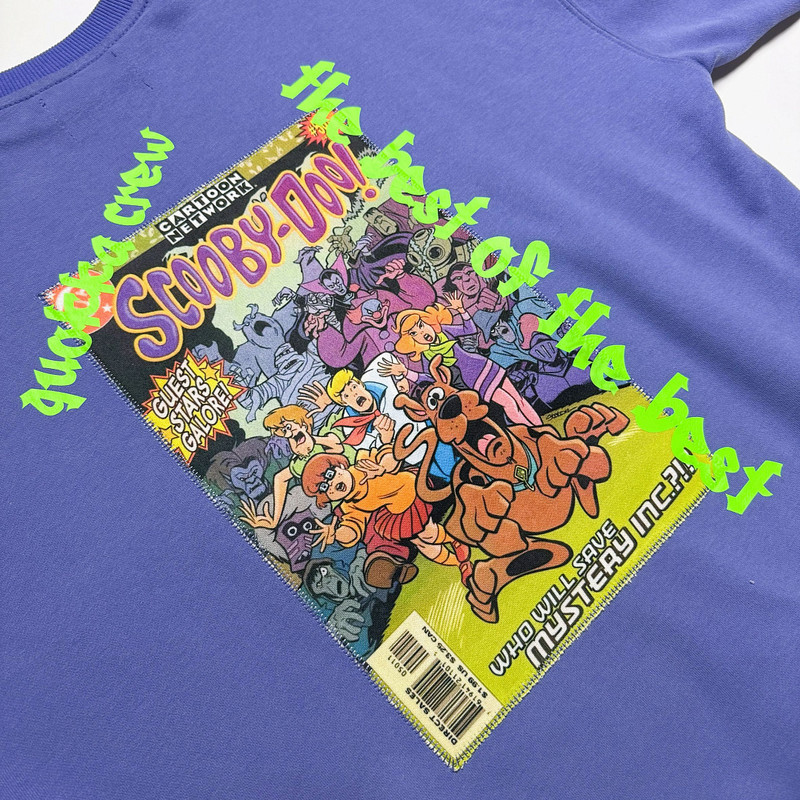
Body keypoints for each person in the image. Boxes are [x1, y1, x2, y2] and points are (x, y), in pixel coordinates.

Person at [301, 448, 473, 586]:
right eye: (324, 488)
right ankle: (461, 564)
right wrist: (336, 534)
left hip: (413, 488)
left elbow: (392, 455)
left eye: (329, 475)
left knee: (429, 533)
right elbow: (352, 529)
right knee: (422, 542)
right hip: (397, 514)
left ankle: (454, 539)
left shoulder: (362, 462)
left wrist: (382, 467)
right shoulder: (350, 505)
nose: (331, 484)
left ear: (340, 466)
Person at [383, 292, 543, 426]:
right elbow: (431, 379)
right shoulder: (427, 356)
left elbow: (469, 329)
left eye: (420, 325)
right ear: (411, 340)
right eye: (414, 333)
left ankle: (543, 431)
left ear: (427, 320)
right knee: (509, 404)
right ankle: (535, 434)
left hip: (487, 366)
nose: (422, 332)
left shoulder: (444, 331)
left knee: (519, 399)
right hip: (476, 382)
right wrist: (406, 372)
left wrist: (461, 310)